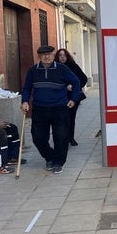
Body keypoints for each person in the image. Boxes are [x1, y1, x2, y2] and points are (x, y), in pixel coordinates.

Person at [21, 45, 81, 174]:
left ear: (53, 55)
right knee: (38, 138)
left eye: (49, 54)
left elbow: (76, 82)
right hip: (39, 109)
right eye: (43, 55)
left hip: (60, 108)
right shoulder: (33, 70)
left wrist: (74, 99)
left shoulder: (62, 69)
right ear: (39, 56)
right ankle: (50, 157)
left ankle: (59, 162)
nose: (47, 57)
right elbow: (26, 88)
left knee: (61, 136)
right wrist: (25, 101)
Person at [54, 48, 88, 146]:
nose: (62, 57)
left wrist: (74, 86)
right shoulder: (55, 67)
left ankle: (70, 137)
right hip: (59, 98)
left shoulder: (73, 66)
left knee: (71, 118)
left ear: (67, 56)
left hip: (73, 97)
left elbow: (83, 78)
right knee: (60, 119)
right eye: (60, 55)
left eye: (64, 55)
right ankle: (62, 138)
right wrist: (65, 86)